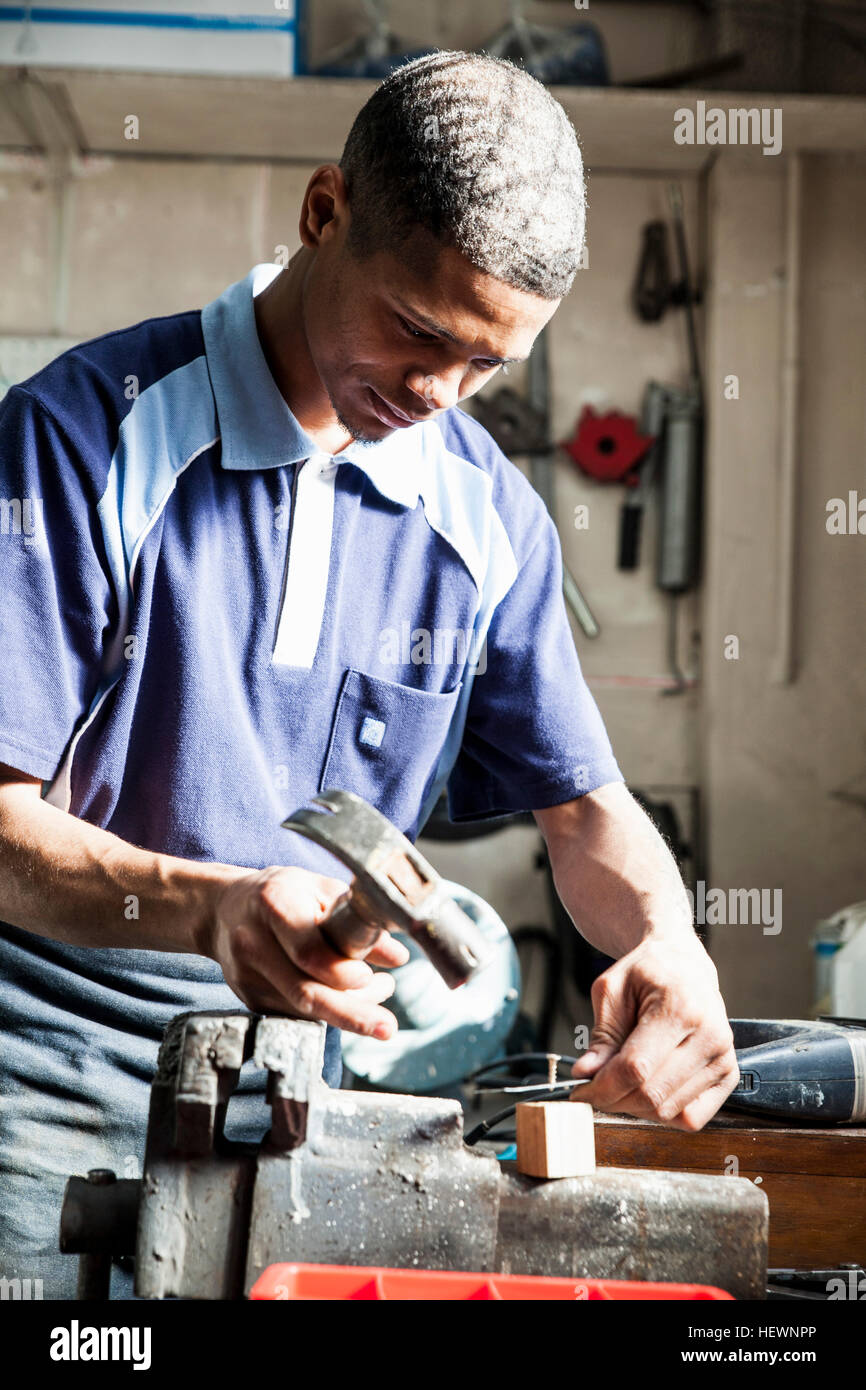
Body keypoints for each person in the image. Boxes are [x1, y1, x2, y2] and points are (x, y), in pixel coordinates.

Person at [0, 50, 737, 1298]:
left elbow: (585, 809)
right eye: (416, 333)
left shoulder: (485, 517)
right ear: (322, 211)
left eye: (485, 368)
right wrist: (204, 905)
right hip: (37, 1094)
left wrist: (671, 940)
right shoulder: (82, 439)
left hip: (300, 1122)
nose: (437, 395)